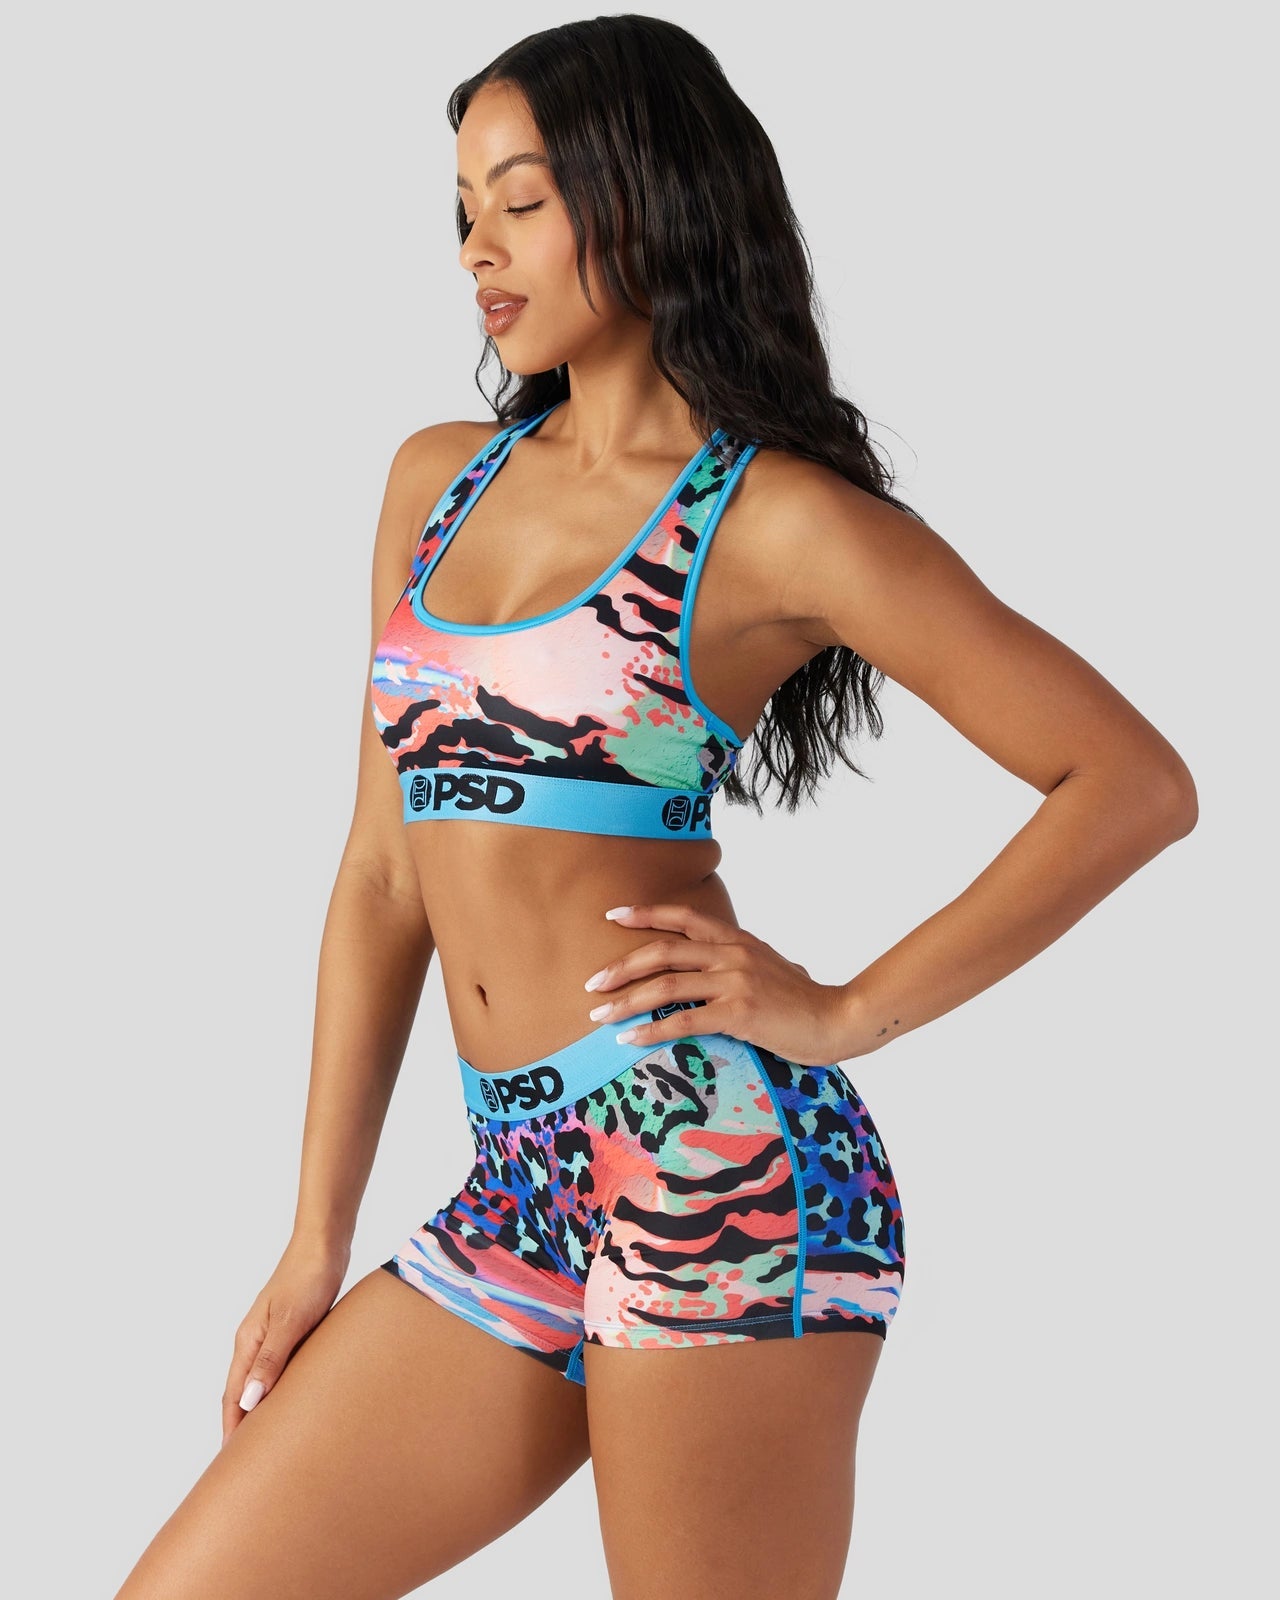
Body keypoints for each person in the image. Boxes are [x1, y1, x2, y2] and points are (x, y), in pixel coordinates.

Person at [113, 15, 1197, 1600]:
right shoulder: (437, 483)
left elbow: (1131, 783)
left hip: (721, 1172)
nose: (478, 249)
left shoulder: (775, 521)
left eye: (520, 200)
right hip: (516, 1181)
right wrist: (313, 1235)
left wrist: (847, 1009)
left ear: (642, 196)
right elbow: (383, 882)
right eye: (462, 210)